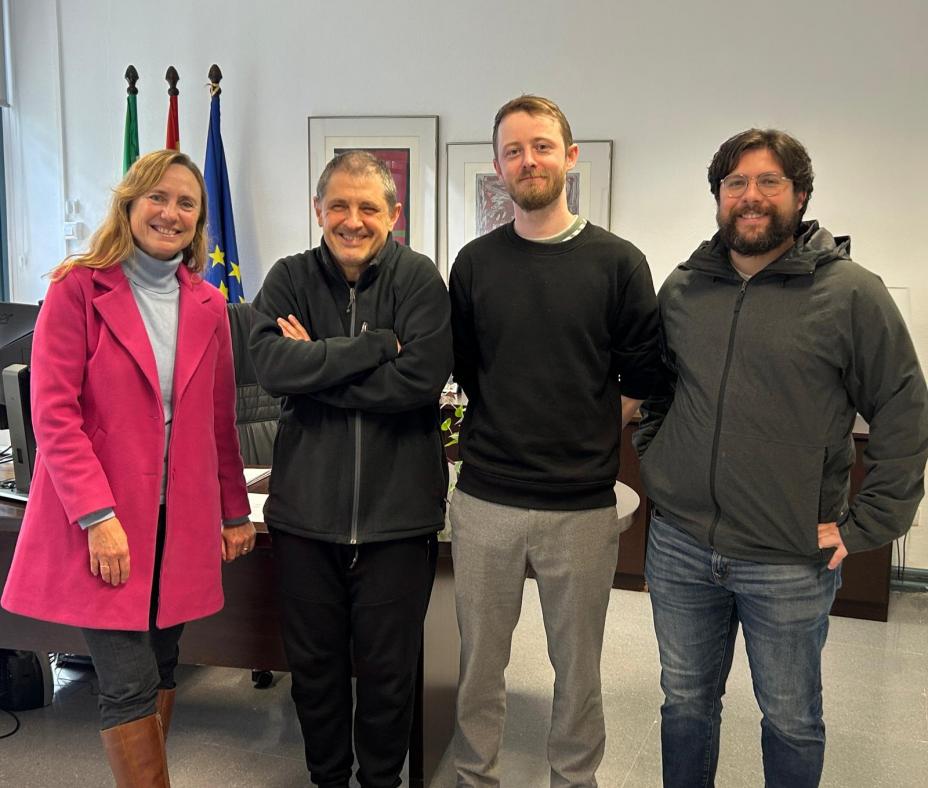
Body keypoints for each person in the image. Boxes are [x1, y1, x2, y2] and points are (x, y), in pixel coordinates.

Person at [634, 128, 928, 787]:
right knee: (684, 704)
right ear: (717, 197)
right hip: (681, 547)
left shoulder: (851, 293)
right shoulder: (685, 288)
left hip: (790, 557)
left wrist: (866, 525)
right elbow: (658, 390)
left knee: (791, 719)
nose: (751, 197)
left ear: (800, 195)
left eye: (769, 182)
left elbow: (906, 408)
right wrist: (658, 459)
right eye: (735, 183)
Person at [1, 149, 255, 785]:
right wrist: (97, 516)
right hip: (106, 520)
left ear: (199, 223)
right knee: (127, 680)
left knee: (164, 666)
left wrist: (233, 511)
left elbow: (218, 422)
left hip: (183, 520)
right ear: (130, 203)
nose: (170, 213)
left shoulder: (208, 306)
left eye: (186, 204)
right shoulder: (76, 287)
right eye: (158, 198)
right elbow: (54, 416)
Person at [448, 95, 661, 787]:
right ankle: (475, 774)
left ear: (569, 157)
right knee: (480, 665)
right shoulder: (474, 264)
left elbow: (644, 376)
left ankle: (575, 779)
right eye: (513, 150)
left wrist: (588, 425)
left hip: (581, 506)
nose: (527, 160)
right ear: (498, 167)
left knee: (579, 669)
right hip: (485, 502)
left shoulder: (618, 262)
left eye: (541, 146)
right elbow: (466, 369)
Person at [249, 150, 452, 788]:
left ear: (393, 214)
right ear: (318, 210)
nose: (352, 220)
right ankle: (328, 779)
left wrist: (319, 370)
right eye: (338, 205)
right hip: (306, 518)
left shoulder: (419, 280)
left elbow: (419, 384)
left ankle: (381, 782)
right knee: (315, 668)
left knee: (391, 672)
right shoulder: (287, 276)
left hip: (398, 519)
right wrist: (371, 349)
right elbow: (271, 368)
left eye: (368, 207)